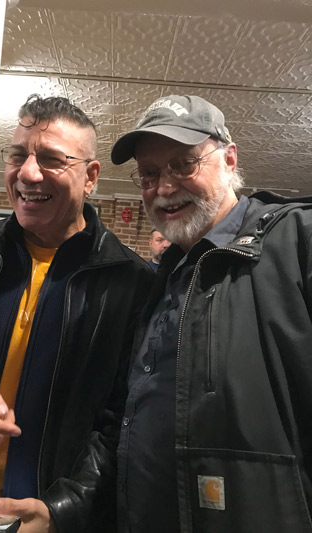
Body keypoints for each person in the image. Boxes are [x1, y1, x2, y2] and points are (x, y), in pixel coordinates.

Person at [0, 94, 152, 533]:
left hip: (63, 520)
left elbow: (127, 423)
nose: (27, 172)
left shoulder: (131, 283)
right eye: (18, 155)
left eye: (51, 159)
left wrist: (61, 510)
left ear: (90, 177)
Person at [111, 94, 312, 533]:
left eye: (184, 164)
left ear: (229, 158)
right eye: (149, 173)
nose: (165, 188)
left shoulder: (297, 240)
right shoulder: (160, 280)